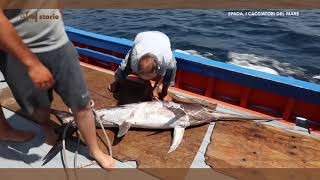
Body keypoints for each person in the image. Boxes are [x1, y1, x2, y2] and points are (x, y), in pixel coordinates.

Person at [0, 6, 114, 169]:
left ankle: (94, 150)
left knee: (82, 104)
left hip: (58, 45)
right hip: (17, 54)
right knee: (39, 109)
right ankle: (46, 127)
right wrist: (32, 64)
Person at [108, 31, 177, 101]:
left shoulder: (166, 59)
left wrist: (156, 88)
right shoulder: (135, 58)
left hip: (162, 40)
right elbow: (124, 67)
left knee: (171, 69)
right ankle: (117, 82)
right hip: (142, 38)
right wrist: (148, 86)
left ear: (157, 69)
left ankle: (164, 93)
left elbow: (161, 74)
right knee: (123, 68)